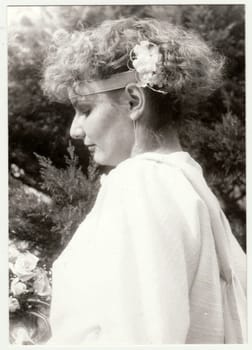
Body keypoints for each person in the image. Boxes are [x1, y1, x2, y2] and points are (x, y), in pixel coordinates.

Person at [42, 17, 246, 345]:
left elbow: (142, 337)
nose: (75, 131)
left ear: (134, 101)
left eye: (84, 109)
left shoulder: (141, 184)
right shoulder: (188, 183)